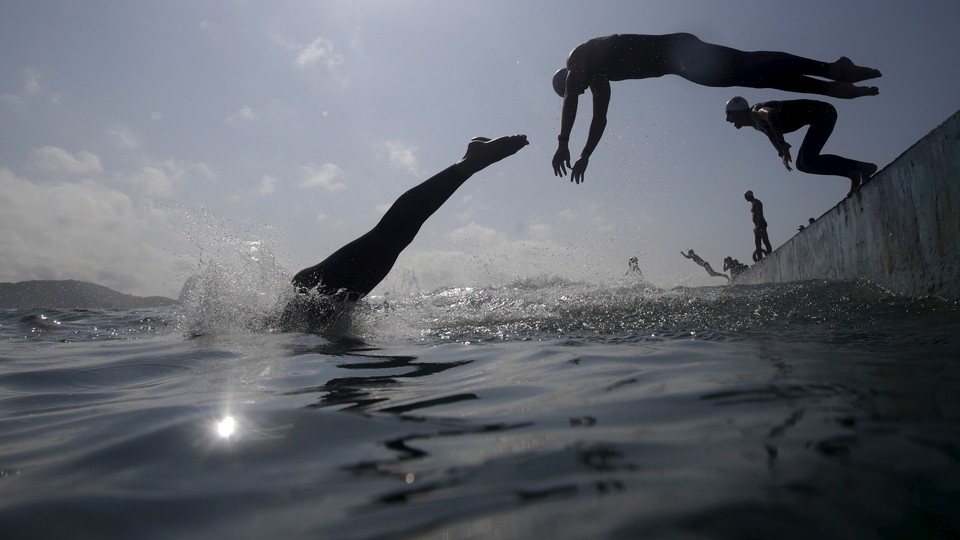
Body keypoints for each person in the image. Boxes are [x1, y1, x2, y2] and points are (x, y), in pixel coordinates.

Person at [551, 33, 881, 183]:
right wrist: (585, 154)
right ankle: (831, 83)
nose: (578, 90)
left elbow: (571, 103)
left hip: (680, 51)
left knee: (750, 65)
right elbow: (599, 119)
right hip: (683, 66)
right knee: (755, 77)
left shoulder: (578, 58)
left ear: (569, 78)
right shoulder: (599, 80)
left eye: (574, 86)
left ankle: (830, 69)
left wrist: (563, 142)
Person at [279, 134, 529, 332]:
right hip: (330, 307)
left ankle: (469, 163)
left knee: (390, 235)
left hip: (312, 294)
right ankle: (468, 163)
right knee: (398, 238)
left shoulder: (282, 326)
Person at [724, 97, 878, 196]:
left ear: (738, 112)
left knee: (805, 161)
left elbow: (770, 115)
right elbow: (770, 134)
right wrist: (782, 153)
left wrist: (783, 144)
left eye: (729, 114)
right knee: (804, 164)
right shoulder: (757, 125)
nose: (727, 119)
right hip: (820, 116)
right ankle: (853, 174)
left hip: (824, 113)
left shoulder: (755, 112)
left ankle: (863, 167)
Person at [744, 190, 772, 262]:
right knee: (757, 242)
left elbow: (760, 214)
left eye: (746, 197)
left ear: (749, 196)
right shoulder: (753, 203)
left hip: (761, 225)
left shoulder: (757, 202)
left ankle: (770, 255)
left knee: (765, 240)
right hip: (757, 226)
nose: (745, 199)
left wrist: (758, 226)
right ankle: (760, 259)